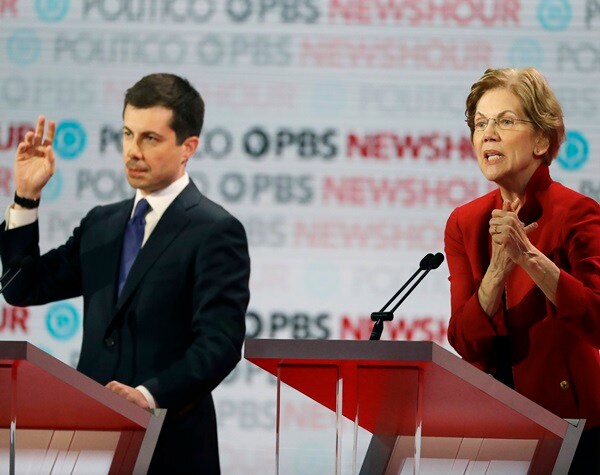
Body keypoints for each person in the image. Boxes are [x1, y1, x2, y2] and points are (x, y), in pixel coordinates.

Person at [0, 73, 250, 474]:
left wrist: (149, 396)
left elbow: (219, 344)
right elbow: (20, 288)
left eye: (150, 138)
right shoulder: (102, 224)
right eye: (127, 134)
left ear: (188, 147)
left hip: (172, 444)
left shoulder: (215, 231)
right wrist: (25, 198)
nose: (133, 151)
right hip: (91, 445)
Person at [444, 67, 600, 473]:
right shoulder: (465, 221)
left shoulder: (578, 213)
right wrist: (496, 271)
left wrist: (530, 257)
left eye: (505, 121)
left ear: (542, 140)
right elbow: (464, 341)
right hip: (495, 429)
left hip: (577, 430)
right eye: (480, 124)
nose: (487, 134)